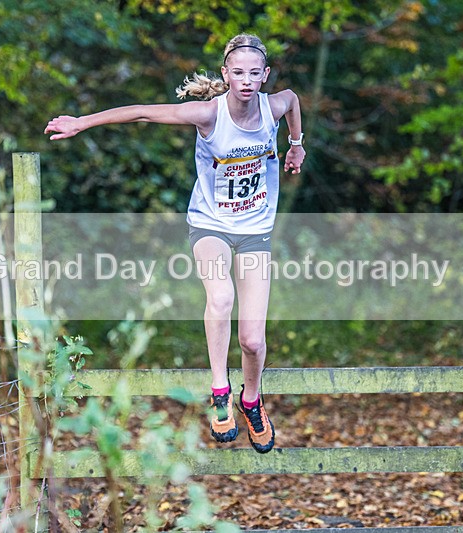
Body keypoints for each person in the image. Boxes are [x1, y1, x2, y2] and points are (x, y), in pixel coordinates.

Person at [44, 33, 305, 453]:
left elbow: (292, 99)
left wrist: (296, 145)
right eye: (237, 73)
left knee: (253, 340)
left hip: (256, 229)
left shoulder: (273, 106)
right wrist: (82, 122)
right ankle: (220, 392)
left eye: (254, 73)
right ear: (226, 74)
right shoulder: (207, 114)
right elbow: (143, 114)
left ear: (264, 75)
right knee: (220, 298)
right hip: (211, 226)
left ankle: (251, 400)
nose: (246, 81)